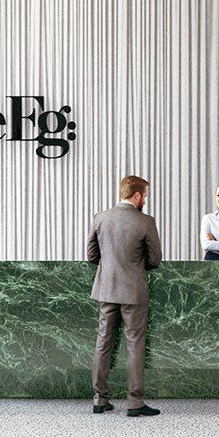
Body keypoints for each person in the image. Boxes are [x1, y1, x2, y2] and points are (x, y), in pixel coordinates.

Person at [86, 174, 162, 417]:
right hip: (134, 291)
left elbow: (91, 255)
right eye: (145, 195)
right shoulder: (146, 222)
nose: (145, 200)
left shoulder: (101, 217)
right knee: (135, 344)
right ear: (137, 195)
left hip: (106, 289)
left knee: (103, 342)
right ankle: (135, 402)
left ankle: (100, 399)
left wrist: (109, 268)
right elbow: (154, 260)